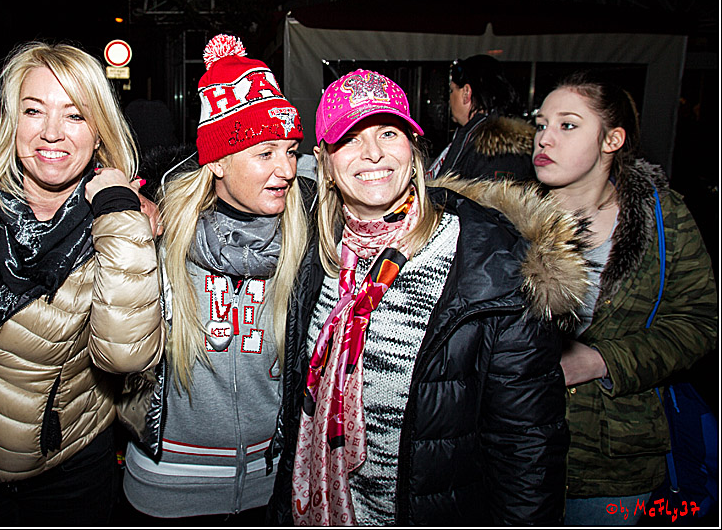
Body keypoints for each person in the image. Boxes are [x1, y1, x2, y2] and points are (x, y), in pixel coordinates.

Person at [270, 69, 588, 525]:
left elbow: (527, 448)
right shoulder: (313, 250)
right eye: (350, 138)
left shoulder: (490, 262)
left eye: (388, 132)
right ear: (323, 160)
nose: (373, 152)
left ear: (414, 148)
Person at [0, 41, 166, 526]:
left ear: (99, 129)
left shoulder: (118, 222)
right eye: (34, 111)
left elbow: (125, 354)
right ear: (10, 123)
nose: (52, 133)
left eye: (75, 115)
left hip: (64, 468)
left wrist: (121, 213)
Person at [121, 34, 317, 522]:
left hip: (270, 489)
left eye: (291, 151)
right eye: (265, 153)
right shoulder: (161, 238)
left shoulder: (310, 240)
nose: (286, 169)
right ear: (220, 163)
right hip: (166, 488)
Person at [532, 73, 717, 525]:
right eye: (540, 124)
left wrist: (603, 361)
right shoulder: (508, 217)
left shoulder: (662, 217)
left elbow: (699, 321)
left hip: (615, 462)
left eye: (567, 125)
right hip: (517, 451)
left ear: (612, 139)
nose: (544, 138)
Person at [426, 54, 535, 182]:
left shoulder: (496, 147)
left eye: (452, 91)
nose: (449, 99)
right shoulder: (472, 137)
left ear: (466, 93)